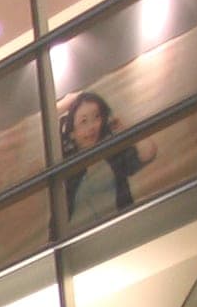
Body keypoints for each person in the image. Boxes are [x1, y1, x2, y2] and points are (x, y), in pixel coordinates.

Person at [60, 90, 157, 231]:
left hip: (121, 229)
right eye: (84, 121)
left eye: (97, 117)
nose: (92, 127)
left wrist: (125, 129)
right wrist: (62, 106)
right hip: (77, 241)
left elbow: (149, 151)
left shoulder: (113, 155)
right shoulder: (66, 167)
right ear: (72, 133)